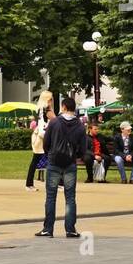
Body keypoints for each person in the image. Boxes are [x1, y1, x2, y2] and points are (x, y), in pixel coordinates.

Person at [35, 95, 87, 238]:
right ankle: (70, 229)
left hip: (54, 162)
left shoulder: (54, 122)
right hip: (70, 164)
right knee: (70, 197)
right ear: (74, 109)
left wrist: (50, 154)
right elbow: (83, 149)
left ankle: (48, 229)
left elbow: (46, 143)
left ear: (63, 107)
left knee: (51, 197)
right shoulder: (80, 126)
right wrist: (74, 156)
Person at [26, 90, 54, 189]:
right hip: (42, 139)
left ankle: (29, 184)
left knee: (38, 161)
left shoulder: (42, 110)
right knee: (37, 160)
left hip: (42, 138)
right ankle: (29, 184)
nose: (52, 101)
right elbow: (43, 127)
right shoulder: (45, 110)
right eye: (50, 99)